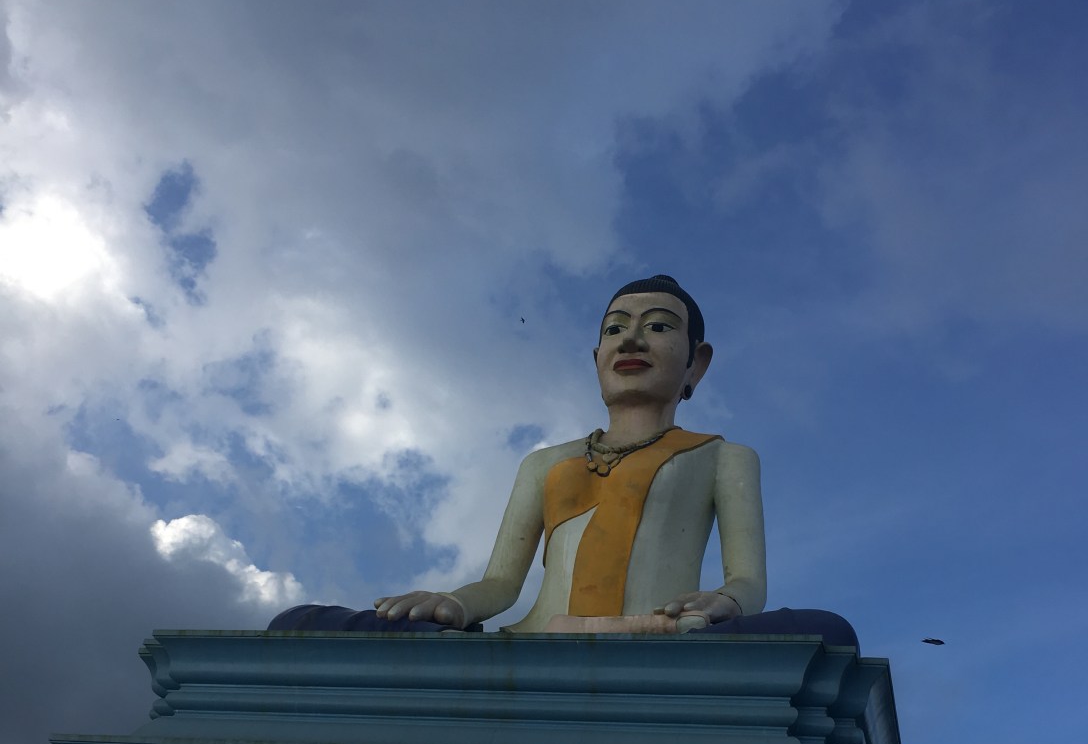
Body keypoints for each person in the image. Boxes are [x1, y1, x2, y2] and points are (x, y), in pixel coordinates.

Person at [270, 275, 855, 647]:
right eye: (615, 329)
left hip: (664, 637)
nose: (631, 341)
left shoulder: (723, 457)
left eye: (657, 327)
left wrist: (726, 602)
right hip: (531, 641)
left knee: (827, 633)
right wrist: (453, 604)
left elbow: (747, 580)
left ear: (695, 364)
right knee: (297, 623)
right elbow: (502, 583)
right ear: (597, 356)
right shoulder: (544, 463)